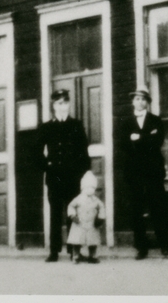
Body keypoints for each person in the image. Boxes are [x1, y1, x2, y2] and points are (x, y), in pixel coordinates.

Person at [119, 87, 168, 259]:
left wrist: (138, 138)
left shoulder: (156, 120)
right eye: (137, 99)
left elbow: (158, 141)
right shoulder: (126, 122)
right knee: (136, 209)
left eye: (143, 99)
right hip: (134, 172)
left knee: (158, 207)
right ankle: (141, 247)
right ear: (132, 102)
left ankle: (164, 244)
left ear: (147, 102)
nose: (140, 102)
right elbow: (123, 144)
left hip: (153, 171)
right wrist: (146, 137)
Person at [39, 89, 89, 262]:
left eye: (66, 103)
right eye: (59, 103)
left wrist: (82, 173)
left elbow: (83, 151)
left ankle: (73, 250)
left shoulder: (76, 125)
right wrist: (47, 166)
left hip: (72, 177)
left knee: (72, 213)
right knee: (54, 214)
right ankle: (54, 251)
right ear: (54, 106)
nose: (63, 106)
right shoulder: (47, 127)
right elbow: (36, 152)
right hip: (54, 177)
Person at [66, 171, 106, 264]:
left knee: (92, 241)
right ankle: (76, 256)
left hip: (92, 223)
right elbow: (71, 206)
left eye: (92, 187)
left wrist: (101, 217)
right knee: (77, 240)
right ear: (83, 187)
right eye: (87, 187)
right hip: (79, 222)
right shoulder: (78, 199)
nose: (90, 190)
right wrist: (73, 215)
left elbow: (102, 207)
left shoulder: (96, 200)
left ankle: (92, 256)